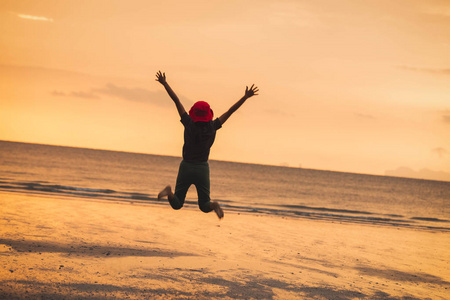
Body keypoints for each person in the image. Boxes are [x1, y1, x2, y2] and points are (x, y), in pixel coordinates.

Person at [156, 71, 259, 219]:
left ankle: (169, 193)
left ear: (194, 113)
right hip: (202, 169)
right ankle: (214, 205)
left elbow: (177, 101)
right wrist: (245, 97)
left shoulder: (189, 123)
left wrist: (165, 83)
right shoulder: (213, 126)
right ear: (208, 115)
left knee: (177, 204)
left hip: (186, 166)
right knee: (205, 205)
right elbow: (230, 111)